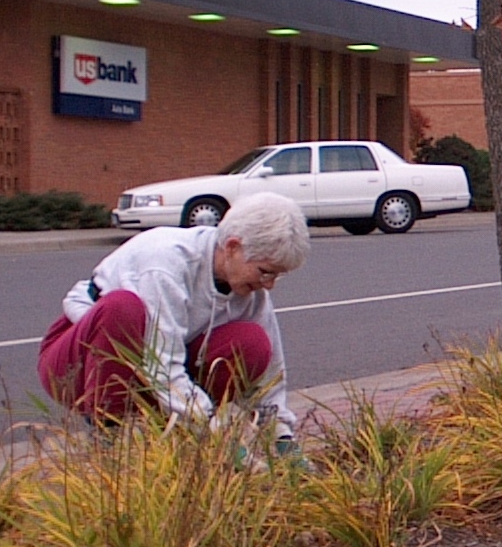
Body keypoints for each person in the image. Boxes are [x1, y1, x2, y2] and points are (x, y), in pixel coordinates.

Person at [38, 191, 311, 446]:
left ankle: (179, 432)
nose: (270, 284)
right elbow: (163, 368)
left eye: (277, 275)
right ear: (232, 247)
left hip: (155, 372)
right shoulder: (166, 263)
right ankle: (112, 438)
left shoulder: (248, 287)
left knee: (252, 342)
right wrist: (215, 431)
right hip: (78, 366)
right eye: (266, 272)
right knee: (123, 308)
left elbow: (271, 372)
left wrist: (282, 437)